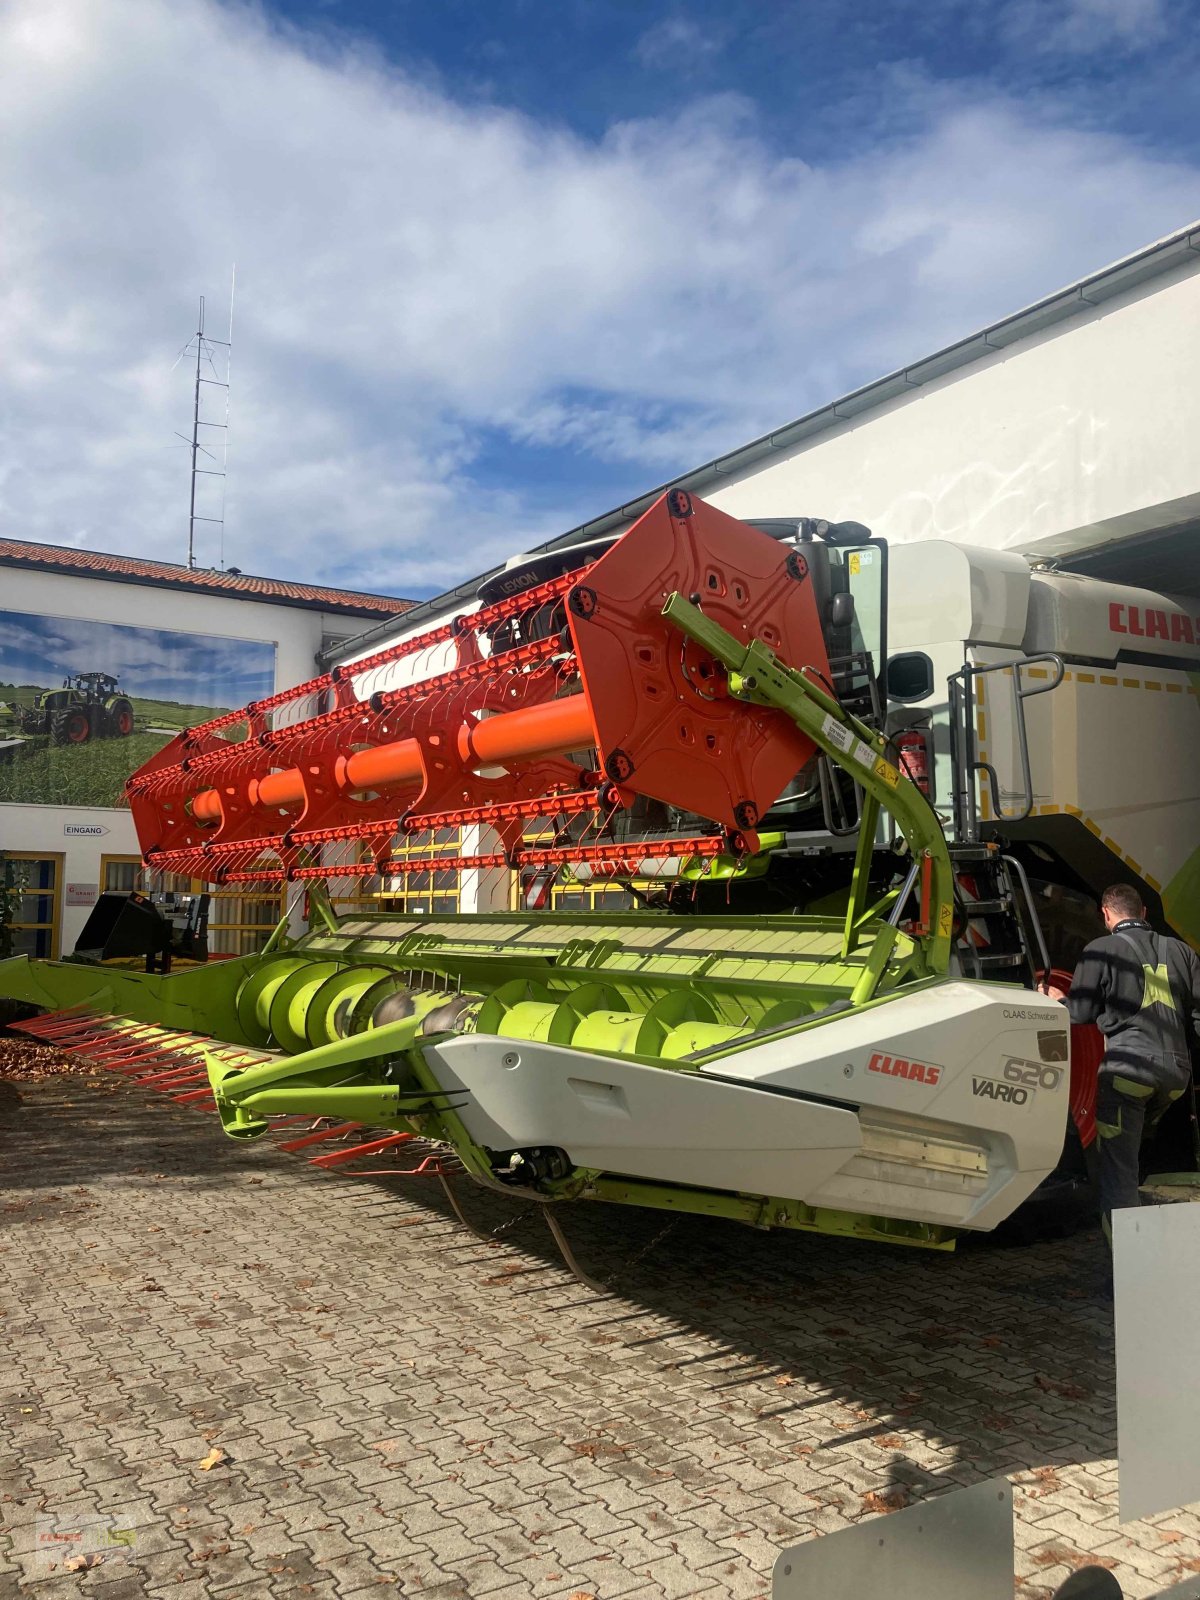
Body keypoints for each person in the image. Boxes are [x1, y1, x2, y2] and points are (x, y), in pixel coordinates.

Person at [1064, 883, 1200, 1239]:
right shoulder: (1182, 951)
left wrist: (1055, 998)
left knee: (1118, 1172)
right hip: (1175, 1078)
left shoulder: (1100, 949)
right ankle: (1168, 1236)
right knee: (1141, 1145)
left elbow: (1079, 1014)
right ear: (1143, 913)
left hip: (1128, 1073)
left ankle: (1126, 1271)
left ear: (1106, 915)